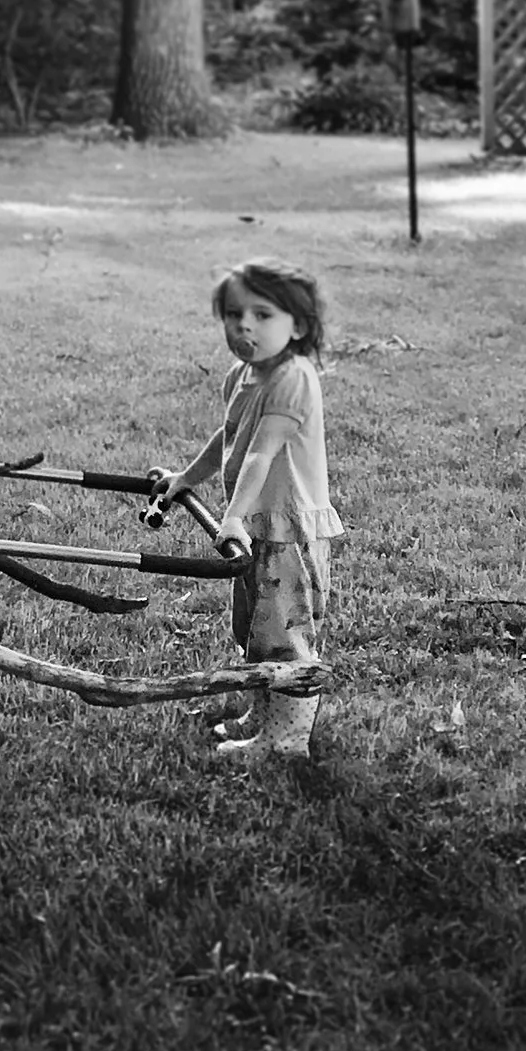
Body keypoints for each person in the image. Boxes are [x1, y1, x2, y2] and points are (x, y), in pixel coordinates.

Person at [146, 258, 342, 761]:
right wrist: (187, 478)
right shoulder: (246, 372)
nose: (244, 326)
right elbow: (232, 438)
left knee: (284, 636)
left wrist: (232, 515)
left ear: (297, 325)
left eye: (262, 315)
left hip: (285, 530)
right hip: (258, 525)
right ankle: (265, 714)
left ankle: (287, 740)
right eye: (234, 314)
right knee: (255, 628)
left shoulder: (293, 378)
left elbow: (262, 452)